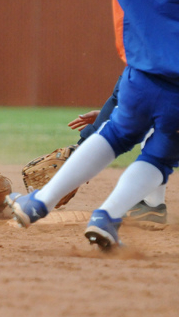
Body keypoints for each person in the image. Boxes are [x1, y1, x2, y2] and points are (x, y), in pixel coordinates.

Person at [6, 0, 179, 250]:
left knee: (114, 135)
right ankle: (107, 216)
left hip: (141, 78)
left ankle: (39, 202)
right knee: (160, 156)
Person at [67, 75, 168, 227]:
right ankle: (151, 206)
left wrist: (83, 148)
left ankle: (152, 206)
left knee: (159, 118)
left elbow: (130, 86)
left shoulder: (149, 55)